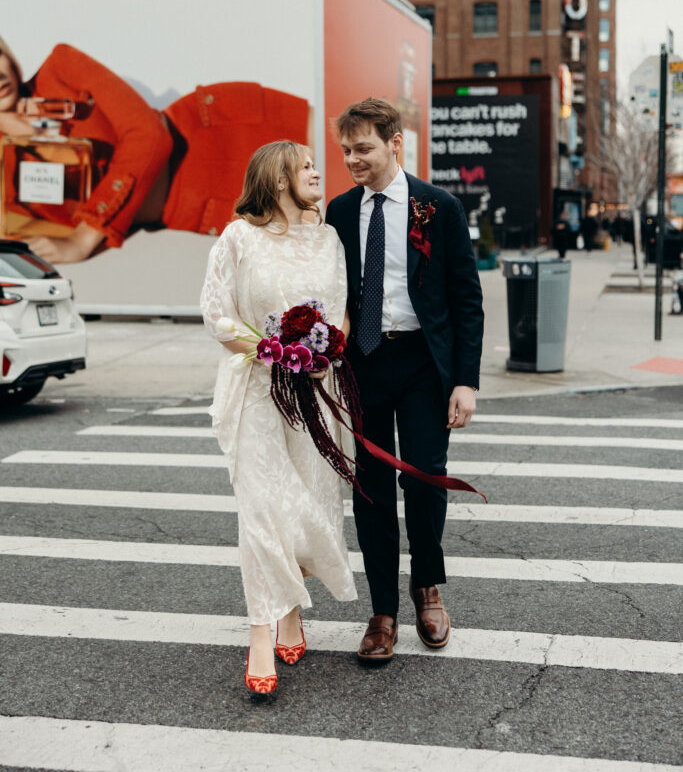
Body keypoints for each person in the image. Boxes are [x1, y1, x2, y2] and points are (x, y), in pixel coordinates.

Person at [326, 98, 484, 662]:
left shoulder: (438, 207)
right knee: (369, 487)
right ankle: (382, 612)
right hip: (363, 363)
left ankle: (427, 588)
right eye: (346, 150)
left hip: (422, 363)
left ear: (395, 144)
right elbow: (331, 290)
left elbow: (467, 300)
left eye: (363, 148)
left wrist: (465, 381)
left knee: (424, 479)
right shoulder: (340, 211)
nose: (352, 160)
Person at [200, 141, 357, 694]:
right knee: (263, 508)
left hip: (314, 391)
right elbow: (217, 314)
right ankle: (261, 631)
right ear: (279, 178)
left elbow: (341, 309)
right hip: (256, 389)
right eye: (306, 166)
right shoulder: (237, 237)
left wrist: (324, 353)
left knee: (307, 503)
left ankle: (291, 611)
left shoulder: (328, 238)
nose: (317, 172)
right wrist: (274, 354)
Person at [0, 39, 308, 262]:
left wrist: (84, 235)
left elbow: (150, 135)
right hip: (210, 208)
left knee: (336, 154)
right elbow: (53, 242)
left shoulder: (61, 67)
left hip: (225, 132)